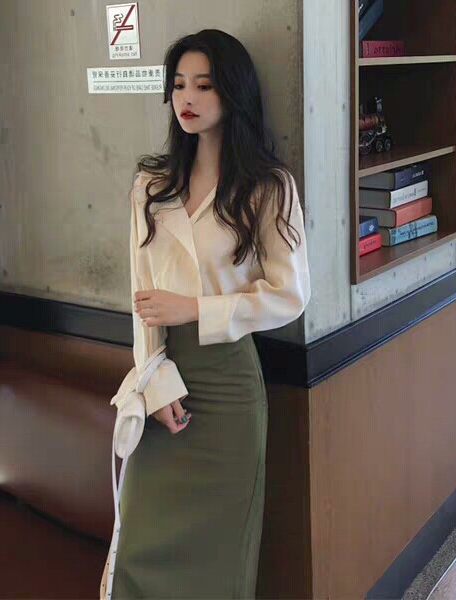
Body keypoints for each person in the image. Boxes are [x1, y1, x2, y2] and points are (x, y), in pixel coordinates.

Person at [101, 28, 311, 599]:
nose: (186, 98)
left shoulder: (268, 187)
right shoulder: (150, 185)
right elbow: (141, 299)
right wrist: (155, 383)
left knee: (220, 560)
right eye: (178, 85)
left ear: (233, 93)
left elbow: (290, 295)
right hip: (163, 379)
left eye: (203, 85)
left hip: (230, 387)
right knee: (140, 544)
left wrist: (195, 309)